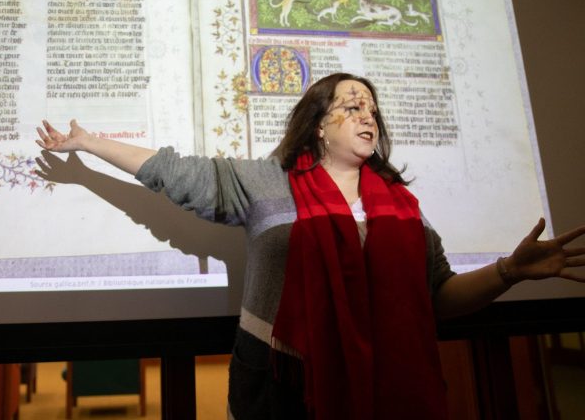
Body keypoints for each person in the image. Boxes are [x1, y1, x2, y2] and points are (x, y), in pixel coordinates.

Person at [35, 72, 585, 420]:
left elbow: (438, 296)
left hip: (390, 392)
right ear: (319, 125)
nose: (366, 114)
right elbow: (172, 172)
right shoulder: (267, 181)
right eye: (351, 105)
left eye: (371, 108)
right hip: (281, 391)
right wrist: (87, 145)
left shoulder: (400, 206)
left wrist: (509, 271)